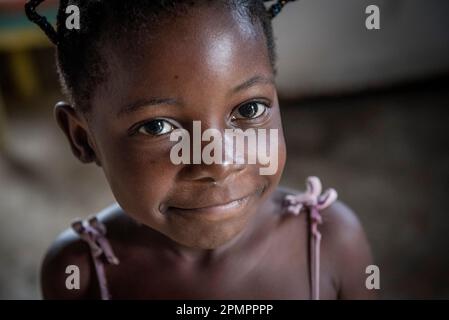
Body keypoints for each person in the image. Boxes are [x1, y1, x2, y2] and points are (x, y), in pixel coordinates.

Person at [25, 0, 375, 299]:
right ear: (83, 139)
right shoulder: (78, 274)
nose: (219, 163)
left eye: (249, 109)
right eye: (156, 126)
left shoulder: (333, 243)